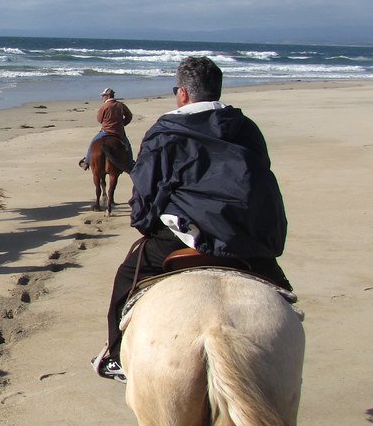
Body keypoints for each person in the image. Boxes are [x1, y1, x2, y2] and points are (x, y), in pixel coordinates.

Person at [94, 57, 291, 383]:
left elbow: (146, 188)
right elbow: (260, 178)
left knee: (125, 278)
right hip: (246, 237)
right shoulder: (247, 128)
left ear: (182, 93)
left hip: (184, 236)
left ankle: (115, 356)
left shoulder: (167, 130)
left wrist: (145, 223)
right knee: (283, 294)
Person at [79, 87, 133, 170]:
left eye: (103, 96)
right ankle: (130, 164)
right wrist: (123, 123)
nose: (102, 98)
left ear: (107, 96)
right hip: (119, 132)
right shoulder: (121, 105)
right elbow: (129, 116)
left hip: (106, 131)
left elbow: (99, 119)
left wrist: (107, 123)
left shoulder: (104, 106)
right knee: (127, 146)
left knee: (93, 142)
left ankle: (86, 162)